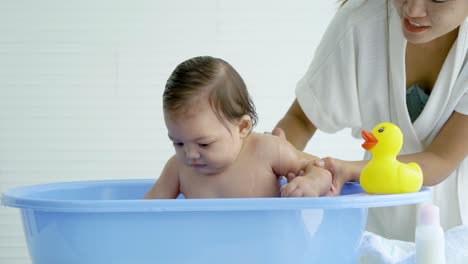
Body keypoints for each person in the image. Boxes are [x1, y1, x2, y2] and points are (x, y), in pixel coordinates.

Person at [274, 0, 468, 242]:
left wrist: (347, 170)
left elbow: (441, 158)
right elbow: (301, 120)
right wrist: (265, 166)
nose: (413, 10)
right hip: (376, 227)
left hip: (456, 229)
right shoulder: (360, 22)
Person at [144, 56, 332, 199]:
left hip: (267, 248)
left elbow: (319, 169)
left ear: (242, 127)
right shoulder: (177, 168)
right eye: (178, 143)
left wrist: (312, 182)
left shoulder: (267, 150)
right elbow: (144, 213)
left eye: (204, 144)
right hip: (205, 250)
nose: (190, 154)